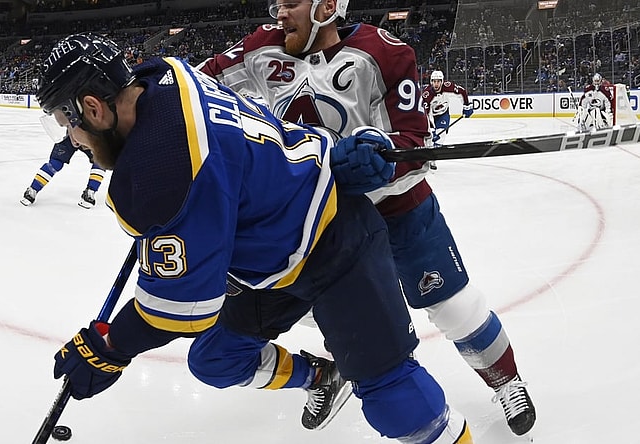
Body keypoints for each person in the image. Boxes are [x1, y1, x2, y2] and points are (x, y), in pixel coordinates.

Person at [39, 32, 472, 443]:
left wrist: (109, 348)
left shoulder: (162, 169)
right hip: (273, 254)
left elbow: (181, 308)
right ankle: (322, 376)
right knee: (215, 360)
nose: (72, 141)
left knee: (393, 398)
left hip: (335, 236)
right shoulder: (164, 73)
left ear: (94, 108)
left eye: (67, 124)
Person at [198, 0, 534, 436]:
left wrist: (376, 156)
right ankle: (329, 373)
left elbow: (413, 140)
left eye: (291, 2)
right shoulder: (260, 47)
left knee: (454, 307)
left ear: (329, 5)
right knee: (306, 307)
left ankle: (507, 380)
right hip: (319, 220)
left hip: (396, 208)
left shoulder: (386, 53)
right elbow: (190, 88)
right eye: (276, 3)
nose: (279, 13)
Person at [20, 132, 105, 208]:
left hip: (91, 135)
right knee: (55, 163)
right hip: (69, 135)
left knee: (101, 162)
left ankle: (90, 191)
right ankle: (33, 189)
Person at [422, 70, 473, 144]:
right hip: (430, 116)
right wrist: (432, 130)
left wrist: (466, 106)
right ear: (431, 82)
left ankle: (437, 149)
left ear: (442, 81)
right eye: (434, 81)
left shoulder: (448, 87)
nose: (436, 84)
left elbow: (462, 91)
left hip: (443, 113)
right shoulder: (427, 95)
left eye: (438, 81)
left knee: (440, 134)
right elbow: (426, 115)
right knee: (428, 139)